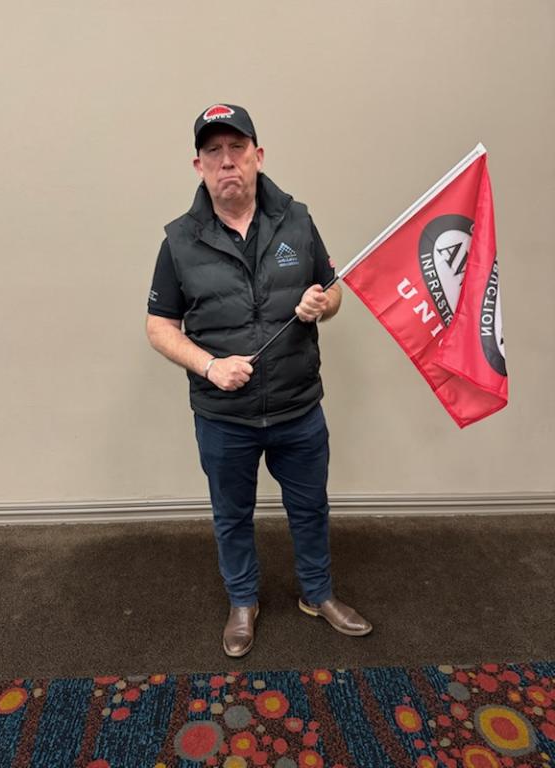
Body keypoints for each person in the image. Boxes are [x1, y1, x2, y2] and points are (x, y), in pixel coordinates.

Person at [146, 103, 372, 657]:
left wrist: (324, 303)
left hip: (299, 408)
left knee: (311, 508)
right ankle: (242, 601)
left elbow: (334, 289)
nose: (227, 162)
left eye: (237, 149)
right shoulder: (179, 241)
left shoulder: (297, 220)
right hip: (225, 418)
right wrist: (209, 365)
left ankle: (317, 594)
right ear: (198, 166)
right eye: (214, 152)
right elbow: (158, 326)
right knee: (232, 516)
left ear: (258, 156)